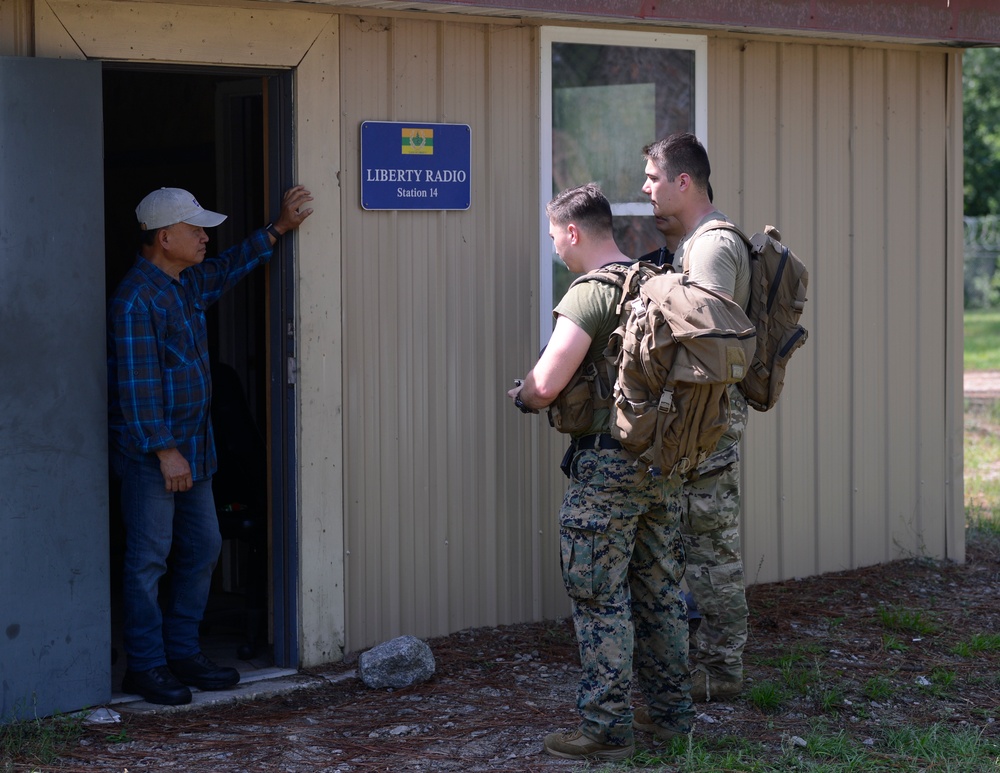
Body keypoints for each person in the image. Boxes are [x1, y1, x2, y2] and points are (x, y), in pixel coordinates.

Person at [108, 184, 314, 705]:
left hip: (195, 453)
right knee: (148, 560)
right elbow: (137, 387)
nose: (204, 237)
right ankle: (147, 667)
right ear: (164, 237)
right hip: (157, 458)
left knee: (203, 547)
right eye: (195, 229)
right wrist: (164, 450)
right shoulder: (136, 300)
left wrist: (277, 230)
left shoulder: (183, 283)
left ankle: (182, 652)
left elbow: (226, 268)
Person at [508, 184, 693, 761]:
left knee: (599, 598)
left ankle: (606, 729)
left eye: (553, 238)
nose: (556, 249)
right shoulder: (652, 281)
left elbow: (545, 386)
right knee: (660, 594)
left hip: (607, 469)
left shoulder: (590, 293)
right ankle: (670, 719)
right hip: (662, 462)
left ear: (572, 232)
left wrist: (522, 396)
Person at [641, 133, 751, 702]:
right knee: (694, 545)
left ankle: (722, 672)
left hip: (707, 424)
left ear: (684, 182)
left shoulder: (711, 247)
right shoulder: (694, 244)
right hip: (694, 421)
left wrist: (654, 294)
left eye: (654, 179)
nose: (646, 189)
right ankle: (700, 662)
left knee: (712, 553)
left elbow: (705, 337)